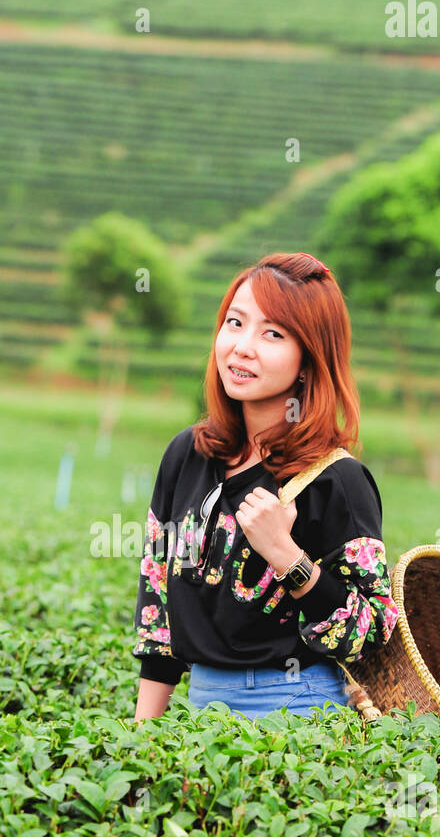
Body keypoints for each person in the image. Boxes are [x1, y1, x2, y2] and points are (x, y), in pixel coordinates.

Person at [132, 251, 399, 724]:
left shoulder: (338, 480)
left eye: (272, 334)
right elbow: (158, 605)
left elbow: (372, 633)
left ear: (308, 359)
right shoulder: (187, 456)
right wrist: (143, 733)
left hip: (297, 707)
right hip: (202, 706)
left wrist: (286, 557)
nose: (242, 346)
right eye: (235, 323)